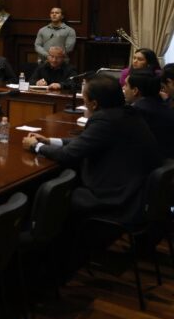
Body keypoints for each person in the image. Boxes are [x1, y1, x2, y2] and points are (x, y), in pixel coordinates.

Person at [23, 76, 160, 221]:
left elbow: (68, 155)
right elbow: (86, 141)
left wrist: (36, 146)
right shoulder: (126, 112)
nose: (84, 104)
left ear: (94, 104)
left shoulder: (105, 120)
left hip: (116, 197)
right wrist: (50, 141)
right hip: (135, 189)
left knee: (55, 194)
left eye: (84, 100)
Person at [123, 72, 174, 159]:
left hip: (149, 164)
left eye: (126, 85)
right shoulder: (167, 106)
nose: (123, 88)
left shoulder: (135, 111)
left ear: (135, 91)